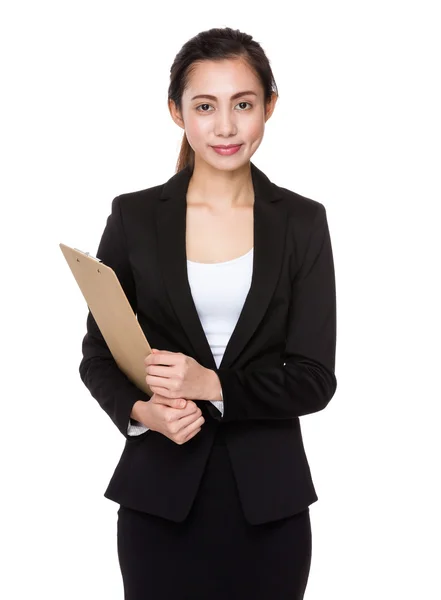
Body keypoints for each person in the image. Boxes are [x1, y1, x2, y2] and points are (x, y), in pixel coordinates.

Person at [79, 26, 337, 600]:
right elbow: (97, 354)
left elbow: (315, 380)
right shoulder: (134, 217)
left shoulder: (302, 223)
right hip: (158, 502)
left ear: (269, 105)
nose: (225, 127)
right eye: (204, 106)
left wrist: (212, 385)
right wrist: (141, 410)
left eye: (243, 104)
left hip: (270, 507)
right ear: (177, 113)